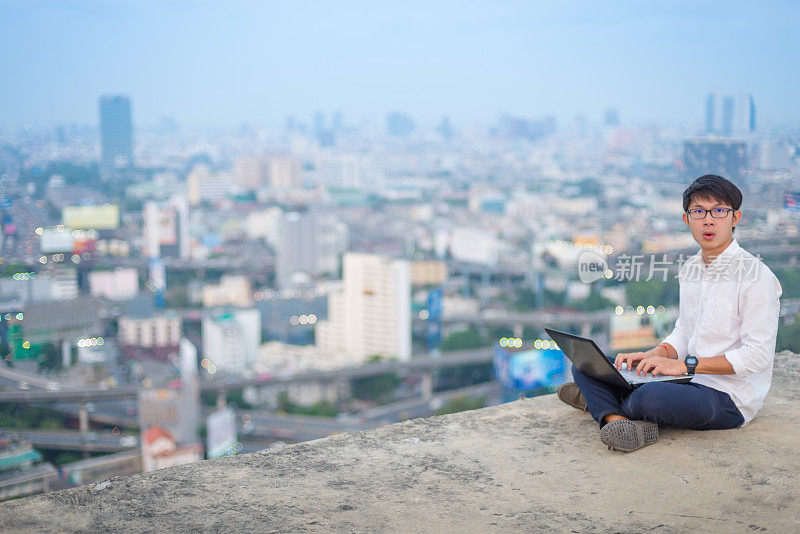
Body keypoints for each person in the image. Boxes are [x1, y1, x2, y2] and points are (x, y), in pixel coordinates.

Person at [557, 174, 782, 452]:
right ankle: (615, 418)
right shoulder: (690, 268)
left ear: (736, 217)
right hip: (684, 381)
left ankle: (603, 404)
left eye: (719, 211)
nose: (708, 220)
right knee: (588, 364)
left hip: (728, 397)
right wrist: (654, 355)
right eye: (698, 211)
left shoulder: (756, 277)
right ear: (687, 219)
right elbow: (685, 331)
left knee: (646, 399)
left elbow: (757, 356)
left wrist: (684, 366)